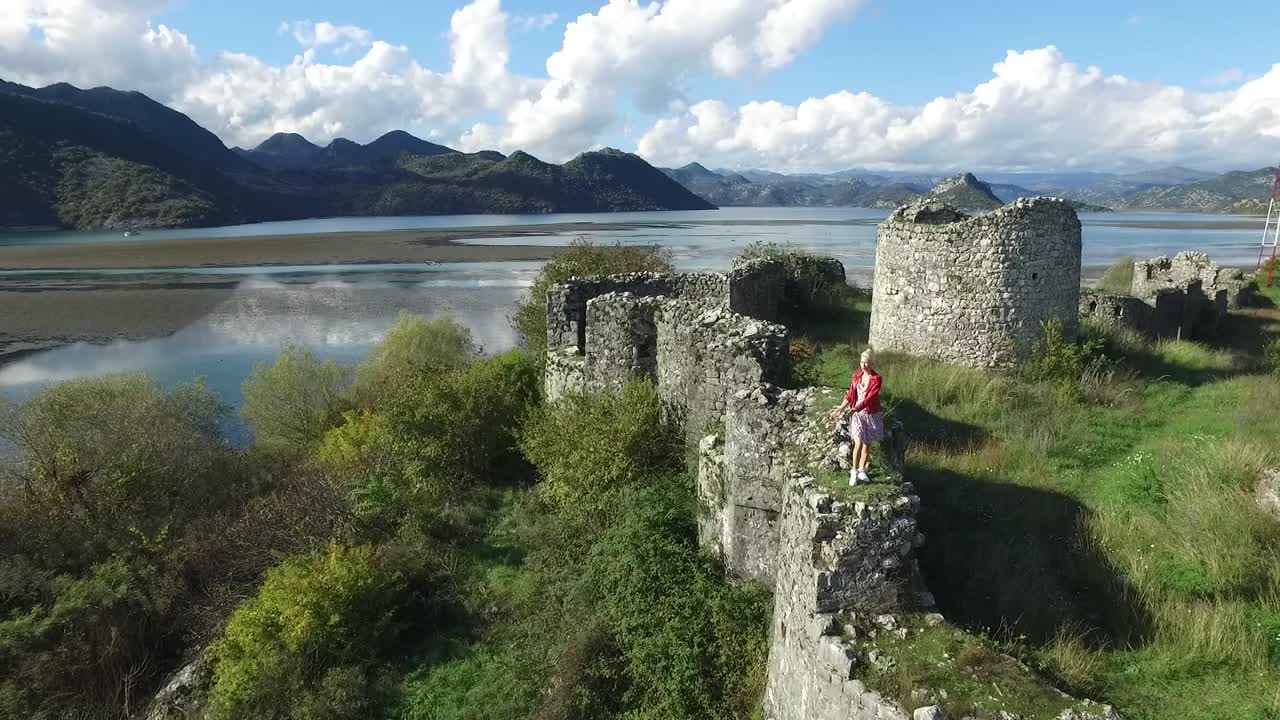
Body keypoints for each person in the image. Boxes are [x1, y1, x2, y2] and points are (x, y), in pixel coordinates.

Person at [829, 348, 884, 485]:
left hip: (870, 414)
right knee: (858, 443)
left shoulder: (876, 379)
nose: (863, 365)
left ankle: (862, 470)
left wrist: (855, 408)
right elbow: (850, 395)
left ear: (872, 363)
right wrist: (841, 408)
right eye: (861, 362)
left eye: (866, 362)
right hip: (857, 415)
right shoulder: (856, 376)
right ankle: (853, 471)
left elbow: (870, 399)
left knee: (867, 445)